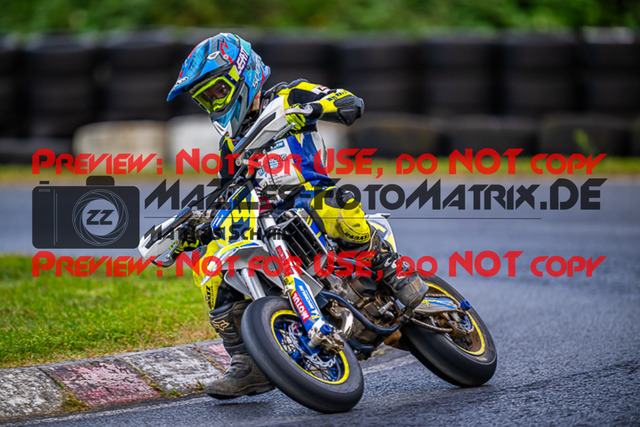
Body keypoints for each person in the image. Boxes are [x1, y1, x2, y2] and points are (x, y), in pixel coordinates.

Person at [167, 33, 428, 400]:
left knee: (330, 205)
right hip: (266, 219)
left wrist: (324, 106)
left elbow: (345, 101)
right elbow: (227, 190)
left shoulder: (289, 96)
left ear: (243, 74)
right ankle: (248, 361)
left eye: (217, 91)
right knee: (209, 264)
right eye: (205, 98)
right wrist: (200, 225)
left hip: (309, 196)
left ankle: (392, 269)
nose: (213, 102)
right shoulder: (230, 144)